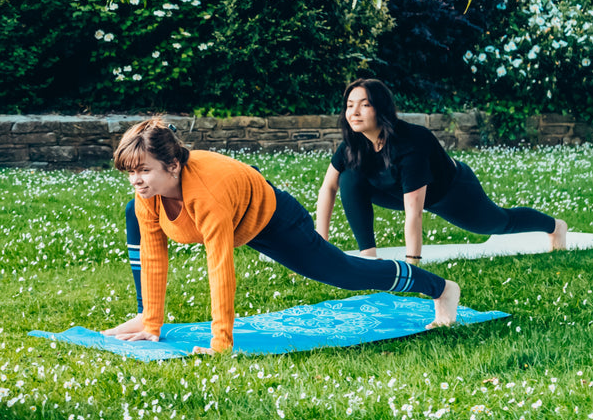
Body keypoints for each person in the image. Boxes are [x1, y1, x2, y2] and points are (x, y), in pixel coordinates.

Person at [104, 118, 461, 354]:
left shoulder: (206, 195)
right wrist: (153, 322)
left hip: (274, 218)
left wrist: (220, 342)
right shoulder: (147, 195)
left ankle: (441, 288)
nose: (136, 181)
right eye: (131, 173)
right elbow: (153, 255)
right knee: (132, 214)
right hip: (236, 199)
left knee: (346, 274)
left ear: (173, 166)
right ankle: (144, 317)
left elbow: (220, 268)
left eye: (143, 171)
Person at [315, 79, 567, 260]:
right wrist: (319, 244)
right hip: (396, 188)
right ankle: (369, 256)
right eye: (350, 105)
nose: (354, 112)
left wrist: (412, 261)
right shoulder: (353, 143)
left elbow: (414, 213)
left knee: (498, 223)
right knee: (348, 178)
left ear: (381, 109)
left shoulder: (411, 143)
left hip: (451, 192)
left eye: (364, 105)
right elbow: (328, 187)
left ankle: (555, 227)